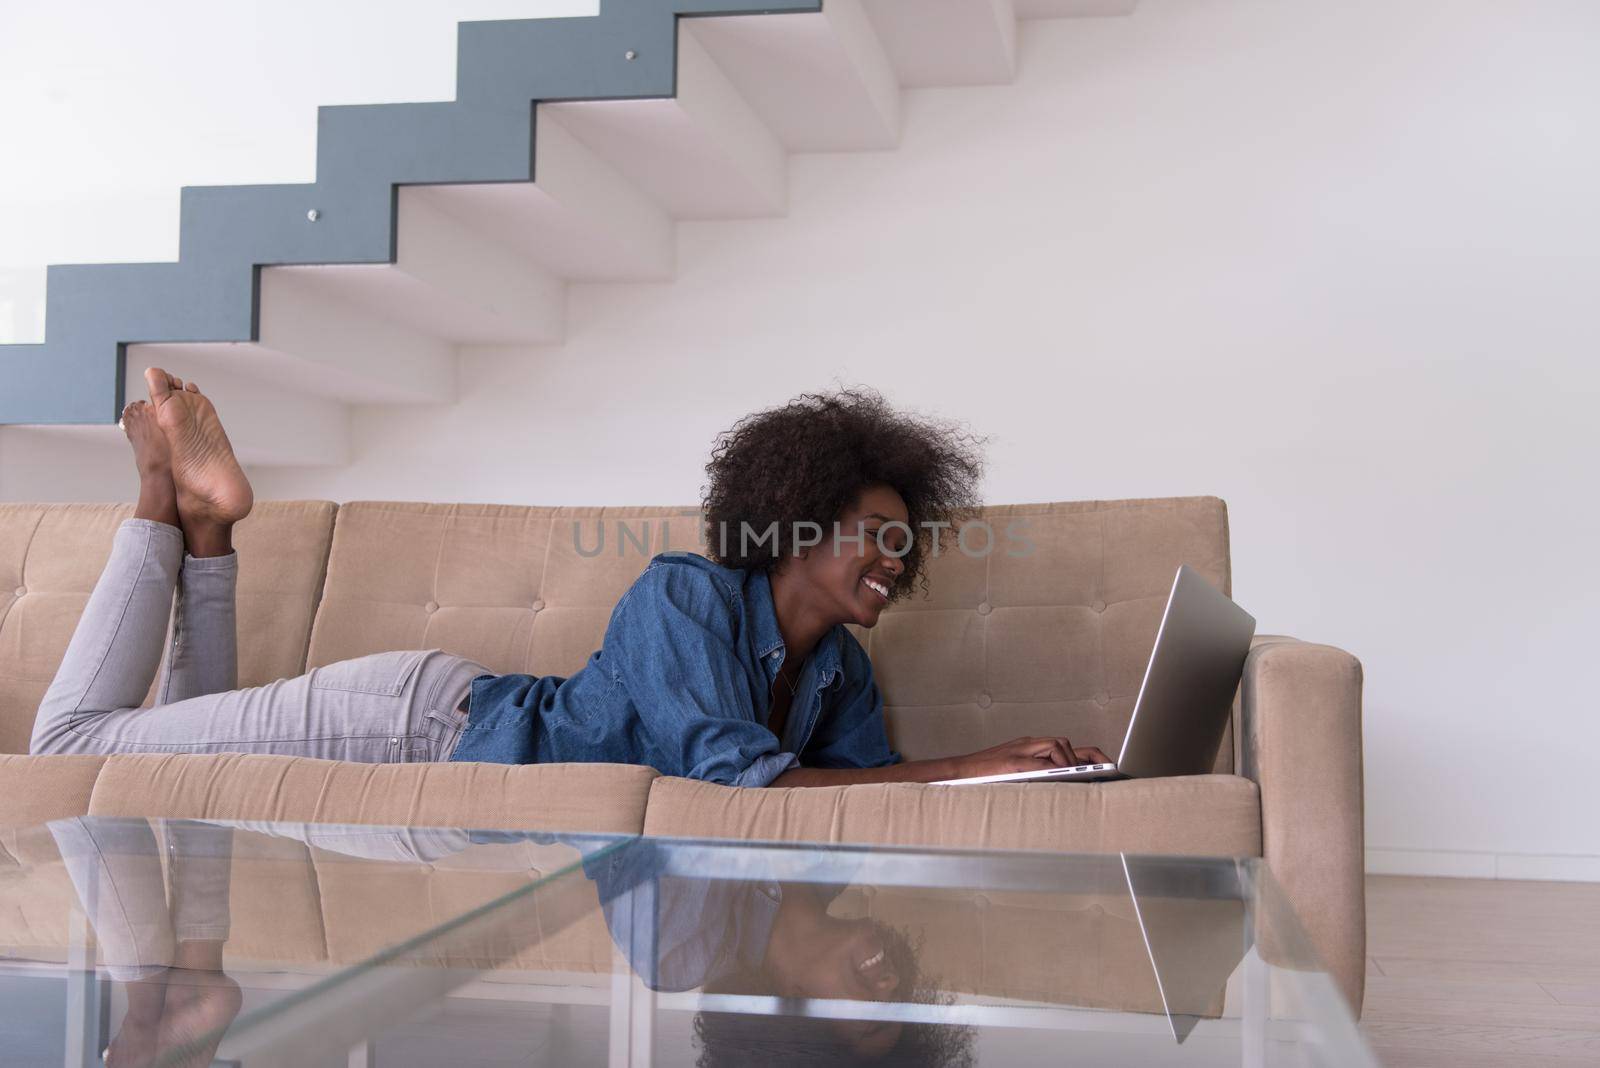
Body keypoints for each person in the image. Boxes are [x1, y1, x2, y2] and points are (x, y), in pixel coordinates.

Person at [30, 368, 1109, 782]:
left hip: (434, 730)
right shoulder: (686, 595)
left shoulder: (841, 680)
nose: (893, 559)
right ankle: (160, 502)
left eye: (901, 544)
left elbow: (860, 800)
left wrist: (1017, 770)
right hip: (417, 728)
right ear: (792, 525)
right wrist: (973, 764)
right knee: (74, 750)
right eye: (874, 532)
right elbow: (737, 781)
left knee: (177, 759)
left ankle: (209, 528)